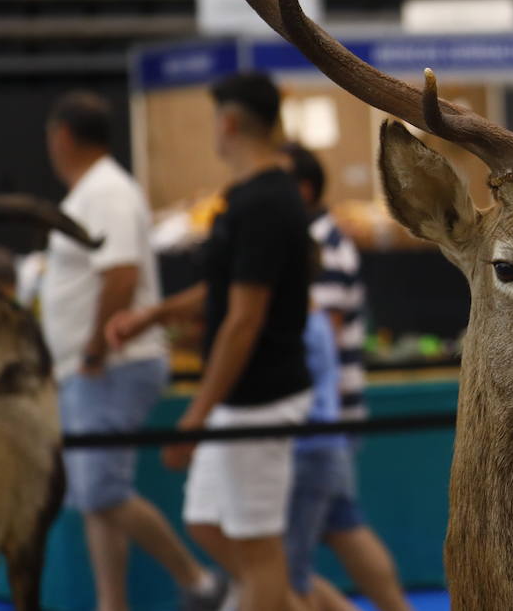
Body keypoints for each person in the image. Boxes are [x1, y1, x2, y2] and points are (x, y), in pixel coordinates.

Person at [108, 72, 313, 611]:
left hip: (261, 398)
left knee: (260, 549)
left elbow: (243, 320)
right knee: (206, 521)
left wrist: (195, 416)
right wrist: (153, 315)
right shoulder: (248, 199)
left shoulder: (266, 202)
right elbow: (225, 291)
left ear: (228, 122)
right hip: (238, 399)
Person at [41, 91, 225, 611]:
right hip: (93, 366)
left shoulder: (105, 192)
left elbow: (121, 276)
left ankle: (198, 582)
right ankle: (111, 603)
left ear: (62, 137)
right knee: (93, 498)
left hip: (111, 364)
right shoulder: (92, 193)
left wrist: (95, 348)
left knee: (100, 490)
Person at [280, 143, 414, 611]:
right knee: (342, 523)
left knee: (282, 562)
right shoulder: (317, 239)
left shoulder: (318, 246)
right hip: (328, 421)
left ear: (301, 188)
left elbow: (320, 342)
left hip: (318, 422)